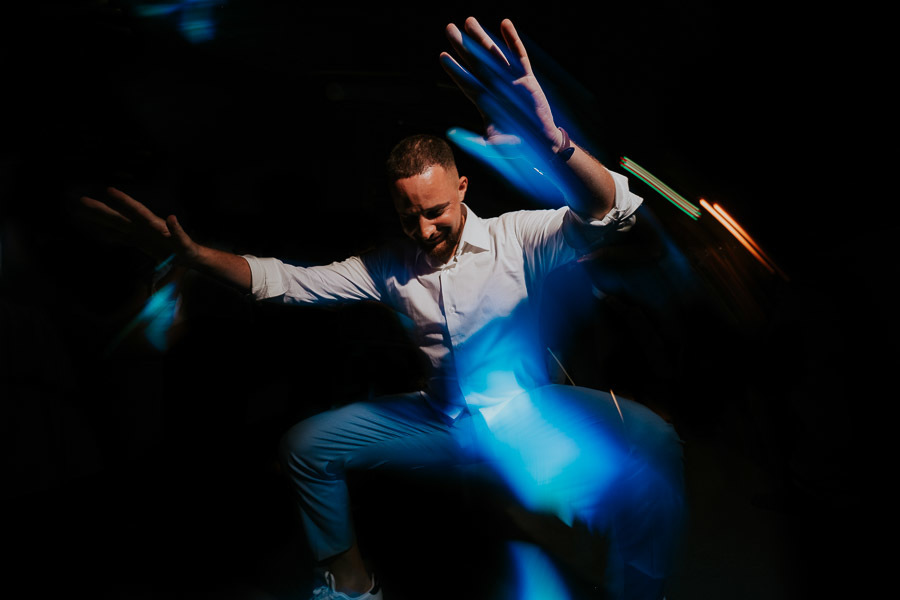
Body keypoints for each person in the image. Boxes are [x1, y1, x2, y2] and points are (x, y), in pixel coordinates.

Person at [80, 17, 684, 600]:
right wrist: (190, 255)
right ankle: (350, 589)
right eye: (407, 216)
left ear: (462, 188)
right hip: (439, 423)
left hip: (525, 413)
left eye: (435, 211)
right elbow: (285, 282)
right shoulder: (388, 265)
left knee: (654, 440)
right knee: (307, 446)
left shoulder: (516, 237)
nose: (422, 229)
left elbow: (607, 214)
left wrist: (554, 143)